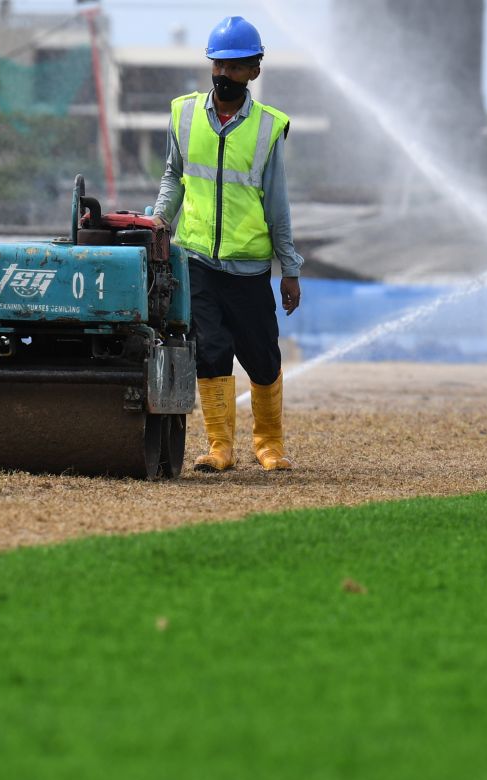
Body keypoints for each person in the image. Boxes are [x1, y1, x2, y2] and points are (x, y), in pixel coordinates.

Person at [153, 15, 302, 472]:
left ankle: (269, 444)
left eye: (236, 66)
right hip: (196, 261)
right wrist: (159, 220)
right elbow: (174, 176)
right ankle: (220, 447)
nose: (224, 74)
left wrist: (289, 268)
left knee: (262, 356)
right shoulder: (182, 114)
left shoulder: (268, 129)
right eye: (218, 64)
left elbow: (277, 206)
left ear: (254, 70)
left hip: (250, 267)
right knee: (212, 350)